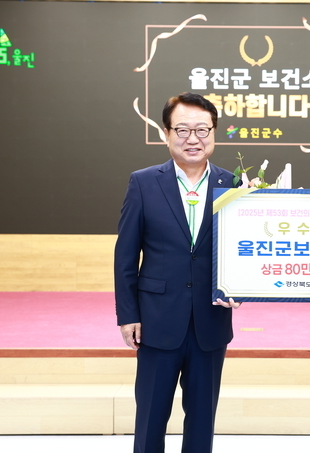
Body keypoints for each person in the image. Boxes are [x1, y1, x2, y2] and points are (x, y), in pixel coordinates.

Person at [115, 92, 241, 453]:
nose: (193, 139)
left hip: (210, 322)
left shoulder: (233, 185)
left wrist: (241, 286)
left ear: (214, 133)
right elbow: (126, 255)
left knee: (202, 422)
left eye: (202, 130)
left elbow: (240, 250)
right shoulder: (143, 182)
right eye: (182, 130)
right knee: (150, 418)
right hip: (156, 321)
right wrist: (128, 315)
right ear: (166, 133)